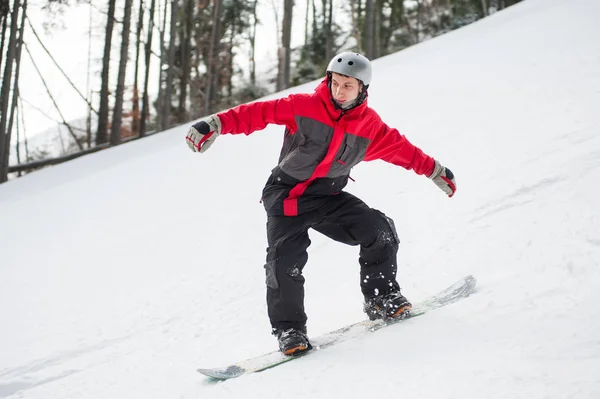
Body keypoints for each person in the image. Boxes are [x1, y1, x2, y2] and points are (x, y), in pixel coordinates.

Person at [186, 52, 456, 356]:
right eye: (335, 83)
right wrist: (215, 124)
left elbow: (401, 149)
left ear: (363, 89)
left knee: (379, 230)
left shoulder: (369, 126)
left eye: (348, 86)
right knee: (284, 263)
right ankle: (289, 330)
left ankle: (381, 298)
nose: (339, 92)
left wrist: (434, 170)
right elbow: (257, 113)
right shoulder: (304, 106)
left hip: (328, 197)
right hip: (286, 197)